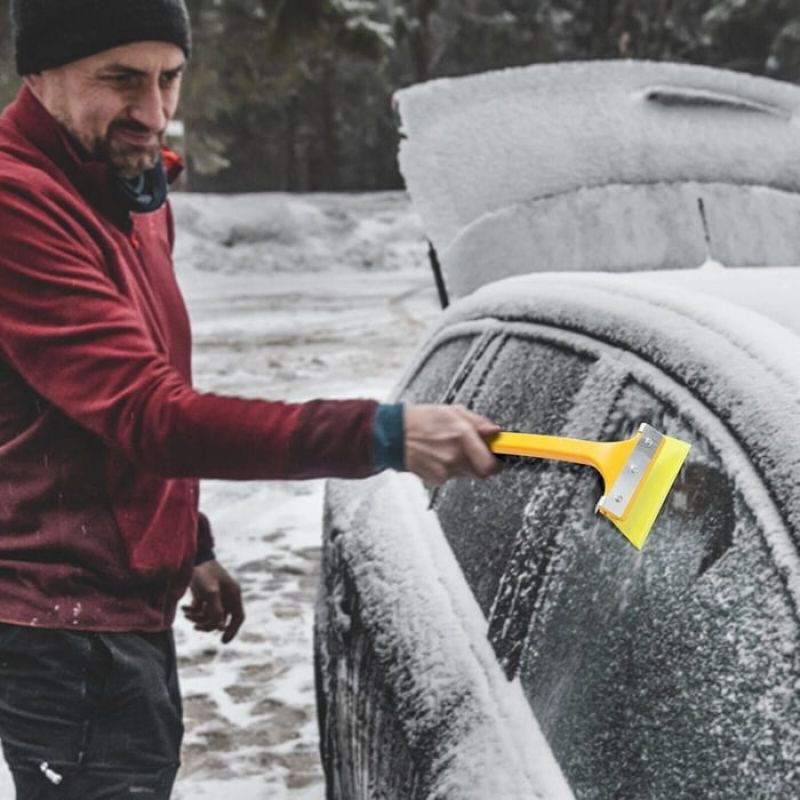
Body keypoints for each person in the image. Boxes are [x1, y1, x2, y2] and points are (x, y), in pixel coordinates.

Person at [0, 0, 500, 796]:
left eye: (169, 78)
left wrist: (187, 542)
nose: (153, 111)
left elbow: (122, 396)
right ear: (39, 72)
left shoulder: (120, 182)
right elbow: (149, 416)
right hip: (65, 625)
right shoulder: (18, 204)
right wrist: (382, 435)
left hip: (118, 600)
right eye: (120, 79)